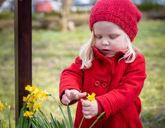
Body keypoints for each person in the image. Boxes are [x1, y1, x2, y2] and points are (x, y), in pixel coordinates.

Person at [59, 0, 147, 128]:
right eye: (98, 36)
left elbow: (128, 91)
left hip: (121, 122)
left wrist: (101, 104)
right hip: (89, 123)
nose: (105, 42)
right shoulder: (88, 56)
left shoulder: (134, 61)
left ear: (128, 35)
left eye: (112, 36)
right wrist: (70, 89)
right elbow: (71, 73)